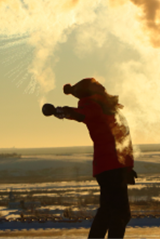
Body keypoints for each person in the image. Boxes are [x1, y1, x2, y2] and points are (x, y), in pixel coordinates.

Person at [50, 78, 137, 239]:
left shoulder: (107, 108)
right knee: (115, 213)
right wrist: (62, 111)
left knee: (115, 213)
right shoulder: (93, 104)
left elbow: (120, 139)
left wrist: (127, 168)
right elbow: (81, 114)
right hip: (111, 167)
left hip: (114, 166)